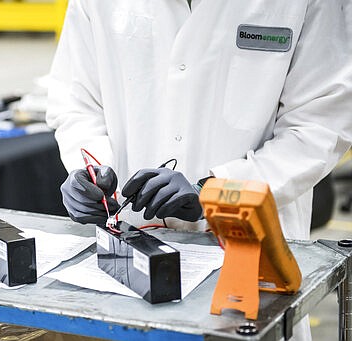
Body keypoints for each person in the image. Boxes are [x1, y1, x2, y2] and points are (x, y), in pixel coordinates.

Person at [46, 1, 352, 340]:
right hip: (127, 258)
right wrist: (88, 168)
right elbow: (77, 101)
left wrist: (218, 189)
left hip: (248, 261)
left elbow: (319, 125)